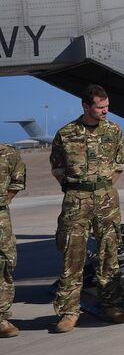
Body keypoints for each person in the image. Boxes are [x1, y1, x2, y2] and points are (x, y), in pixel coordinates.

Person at [49, 84, 124, 332]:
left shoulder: (115, 131)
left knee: (109, 253)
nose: (106, 111)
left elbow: (118, 166)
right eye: (100, 107)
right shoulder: (66, 134)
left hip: (106, 199)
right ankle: (68, 312)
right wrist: (80, 188)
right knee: (72, 255)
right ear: (86, 106)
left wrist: (100, 188)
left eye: (107, 106)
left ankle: (112, 305)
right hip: (76, 200)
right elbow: (57, 168)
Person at [0, 142, 25, 338]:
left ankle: (1, 318)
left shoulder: (7, 153)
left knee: (5, 263)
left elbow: (17, 182)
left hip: (1, 218)